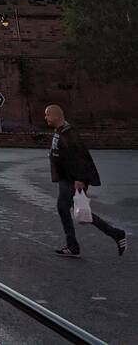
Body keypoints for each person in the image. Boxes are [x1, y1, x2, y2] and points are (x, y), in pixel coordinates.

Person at [45, 104, 127, 258]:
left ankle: (115, 234)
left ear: (56, 116)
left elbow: (80, 157)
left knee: (77, 211)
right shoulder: (60, 131)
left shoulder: (70, 133)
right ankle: (76, 245)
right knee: (71, 210)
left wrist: (80, 179)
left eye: (47, 115)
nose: (45, 118)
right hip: (66, 178)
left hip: (72, 179)